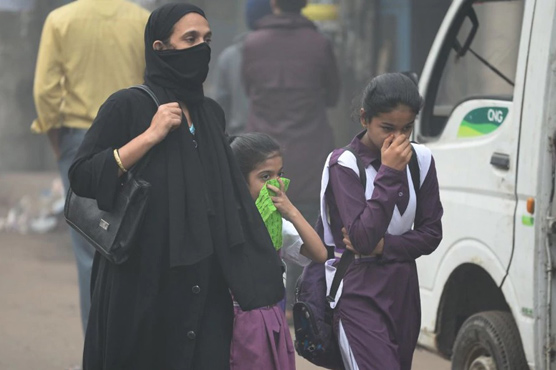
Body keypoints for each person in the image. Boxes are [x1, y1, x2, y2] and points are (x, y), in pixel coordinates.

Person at [68, 4, 284, 369]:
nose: (202, 47)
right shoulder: (129, 105)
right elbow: (83, 175)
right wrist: (150, 136)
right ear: (160, 48)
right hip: (142, 278)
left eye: (207, 39)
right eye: (190, 39)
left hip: (203, 281)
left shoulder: (209, 114)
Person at [31, 0, 149, 335]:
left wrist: (56, 139)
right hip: (136, 139)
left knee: (89, 246)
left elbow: (45, 91)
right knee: (135, 237)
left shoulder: (61, 20)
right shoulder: (142, 20)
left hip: (80, 139)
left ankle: (97, 353)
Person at [319, 73, 443, 370]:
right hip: (358, 287)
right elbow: (361, 239)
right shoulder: (344, 164)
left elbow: (432, 234)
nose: (398, 138)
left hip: (402, 288)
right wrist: (388, 172)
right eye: (387, 128)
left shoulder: (422, 160)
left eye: (407, 128)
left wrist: (385, 246)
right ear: (364, 118)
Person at [242, 0, 341, 313]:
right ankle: (301, 306)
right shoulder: (319, 43)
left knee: (260, 227)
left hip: (260, 155)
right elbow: (333, 94)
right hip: (309, 150)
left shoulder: (253, 43)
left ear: (273, 3)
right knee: (306, 228)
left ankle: (267, 305)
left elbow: (249, 89)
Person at [229, 133, 328, 370]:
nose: (276, 184)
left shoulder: (277, 223)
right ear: (239, 181)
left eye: (279, 174)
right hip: (237, 325)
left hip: (273, 318)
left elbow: (319, 253)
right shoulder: (227, 224)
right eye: (265, 176)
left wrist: (291, 211)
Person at [211, 0, 272, 135]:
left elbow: (220, 108)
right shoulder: (294, 53)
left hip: (241, 141)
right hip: (286, 143)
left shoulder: (230, 56)